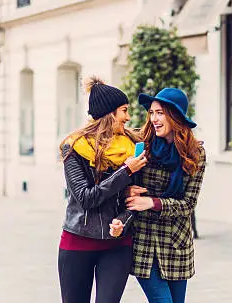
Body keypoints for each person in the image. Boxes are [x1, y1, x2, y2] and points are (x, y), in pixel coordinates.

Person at [57, 76, 147, 303]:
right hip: (78, 241)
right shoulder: (75, 147)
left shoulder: (132, 146)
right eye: (123, 111)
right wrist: (125, 171)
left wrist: (122, 220)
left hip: (117, 245)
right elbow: (86, 198)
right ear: (109, 113)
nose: (128, 117)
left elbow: (135, 196)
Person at [125, 88, 206, 303]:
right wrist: (127, 189)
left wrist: (152, 202)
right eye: (151, 113)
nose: (154, 119)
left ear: (175, 115)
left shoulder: (194, 153)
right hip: (144, 244)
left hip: (176, 245)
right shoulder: (142, 145)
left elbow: (188, 204)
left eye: (159, 113)